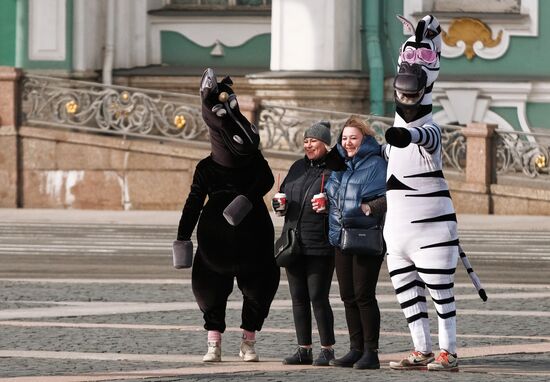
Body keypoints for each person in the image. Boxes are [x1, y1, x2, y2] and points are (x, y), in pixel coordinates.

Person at [173, 68, 280, 363]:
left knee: (258, 290)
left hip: (254, 240)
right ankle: (214, 343)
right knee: (210, 292)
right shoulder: (206, 167)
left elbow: (267, 180)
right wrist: (182, 237)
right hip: (214, 247)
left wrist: (246, 199)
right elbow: (193, 202)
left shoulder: (253, 161)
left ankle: (248, 341)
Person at [384, 15, 463, 372]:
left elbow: (425, 136)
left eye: (425, 59)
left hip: (430, 227)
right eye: (409, 59)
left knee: (440, 294)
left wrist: (408, 136)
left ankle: (448, 350)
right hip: (397, 233)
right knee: (407, 294)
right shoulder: (394, 133)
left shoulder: (429, 128)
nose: (412, 68)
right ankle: (422, 348)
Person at [324, 115, 387, 369]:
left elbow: (390, 195)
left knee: (364, 295)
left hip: (366, 236)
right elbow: (333, 193)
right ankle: (355, 348)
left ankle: (371, 352)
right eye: (345, 138)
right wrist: (324, 202)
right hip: (340, 236)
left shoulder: (376, 164)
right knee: (347, 296)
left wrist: (370, 208)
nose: (349, 143)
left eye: (354, 138)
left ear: (364, 139)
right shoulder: (339, 165)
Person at [273, 121, 336, 367]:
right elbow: (283, 195)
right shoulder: (297, 167)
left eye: (314, 141)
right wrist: (279, 204)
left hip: (320, 244)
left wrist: (328, 204)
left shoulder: (334, 169)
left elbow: (343, 200)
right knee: (298, 297)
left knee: (318, 297)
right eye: (306, 141)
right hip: (293, 242)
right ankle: (304, 349)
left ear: (325, 144)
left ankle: (327, 349)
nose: (309, 145)